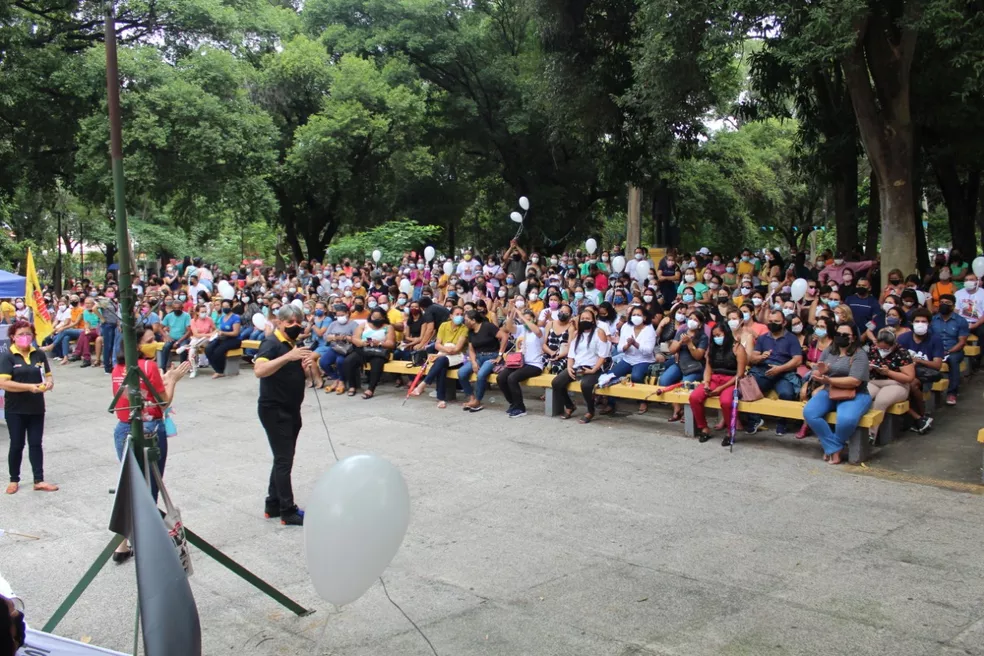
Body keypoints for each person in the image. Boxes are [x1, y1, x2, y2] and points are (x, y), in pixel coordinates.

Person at [110, 328, 190, 561]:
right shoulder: (148, 366)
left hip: (123, 427)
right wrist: (173, 380)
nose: (154, 344)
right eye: (149, 341)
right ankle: (150, 544)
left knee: (130, 486)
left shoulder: (117, 368)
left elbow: (127, 399)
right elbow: (162, 403)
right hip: (150, 428)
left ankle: (123, 544)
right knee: (150, 490)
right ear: (136, 346)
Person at [254, 305, 315, 526]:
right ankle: (287, 510)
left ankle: (272, 503)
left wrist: (309, 365)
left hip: (292, 409)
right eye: (290, 322)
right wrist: (288, 357)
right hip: (274, 409)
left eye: (298, 323)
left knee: (282, 458)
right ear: (280, 322)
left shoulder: (293, 345)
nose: (295, 327)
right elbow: (259, 371)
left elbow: (314, 380)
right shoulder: (271, 343)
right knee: (284, 459)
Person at [802, 320, 872, 464]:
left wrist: (830, 380)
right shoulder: (830, 350)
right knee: (810, 412)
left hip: (855, 393)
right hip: (829, 390)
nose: (841, 336)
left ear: (853, 337)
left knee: (846, 420)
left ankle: (834, 447)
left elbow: (855, 381)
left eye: (845, 334)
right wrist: (821, 372)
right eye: (838, 334)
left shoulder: (860, 354)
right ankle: (834, 447)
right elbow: (816, 370)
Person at [0, 321, 57, 494]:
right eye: (21, 335)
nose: (25, 338)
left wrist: (48, 384)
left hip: (37, 407)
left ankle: (38, 480)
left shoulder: (38, 354)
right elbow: (4, 383)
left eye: (28, 334)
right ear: (13, 337)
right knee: (17, 444)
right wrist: (29, 387)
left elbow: (48, 376)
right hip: (15, 408)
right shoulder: (8, 356)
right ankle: (14, 479)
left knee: (35, 444)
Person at [743, 309, 803, 435]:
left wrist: (780, 369)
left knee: (787, 394)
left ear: (784, 322)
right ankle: (755, 420)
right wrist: (760, 357)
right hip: (764, 370)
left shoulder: (791, 338)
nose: (773, 323)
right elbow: (752, 357)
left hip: (784, 372)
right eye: (770, 321)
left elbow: (797, 360)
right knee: (747, 389)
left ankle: (782, 423)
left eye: (776, 321)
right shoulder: (763, 338)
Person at [689, 320, 747, 444]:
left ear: (726, 334)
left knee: (726, 402)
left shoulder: (737, 348)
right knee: (694, 397)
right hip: (715, 378)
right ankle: (704, 428)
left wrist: (721, 389)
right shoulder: (712, 348)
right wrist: (706, 383)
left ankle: (730, 432)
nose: (717, 338)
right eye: (714, 336)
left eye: (719, 335)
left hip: (731, 381)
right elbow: (708, 369)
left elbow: (740, 374)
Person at [551, 309, 610, 423]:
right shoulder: (576, 333)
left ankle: (590, 411)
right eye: (582, 318)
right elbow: (571, 354)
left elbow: (603, 355)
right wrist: (569, 367)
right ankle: (569, 406)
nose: (585, 321)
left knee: (586, 385)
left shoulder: (599, 332)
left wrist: (593, 370)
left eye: (588, 318)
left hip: (593, 367)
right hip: (577, 366)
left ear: (593, 320)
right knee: (556, 383)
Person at [411, 305, 469, 407]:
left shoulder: (464, 328)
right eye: (457, 314)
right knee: (441, 365)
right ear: (451, 316)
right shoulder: (444, 325)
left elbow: (457, 349)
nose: (460, 316)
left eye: (461, 314)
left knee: (441, 361)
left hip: (458, 358)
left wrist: (445, 349)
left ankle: (424, 385)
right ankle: (441, 399)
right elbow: (437, 345)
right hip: (444, 356)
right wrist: (447, 349)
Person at [866, 328, 915, 444]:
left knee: (881, 400)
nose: (882, 350)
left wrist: (889, 372)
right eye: (880, 347)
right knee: (864, 397)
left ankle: (871, 434)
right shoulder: (873, 350)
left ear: (892, 345)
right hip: (874, 381)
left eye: (885, 348)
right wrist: (868, 368)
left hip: (897, 384)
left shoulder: (902, 353)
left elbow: (909, 377)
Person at [897, 309, 943, 433]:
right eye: (917, 321)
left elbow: (937, 365)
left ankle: (919, 417)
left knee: (911, 384)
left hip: (926, 375)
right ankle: (921, 418)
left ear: (929, 324)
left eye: (924, 321)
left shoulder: (935, 339)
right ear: (912, 323)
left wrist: (919, 361)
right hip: (906, 373)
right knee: (906, 385)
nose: (920, 323)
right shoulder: (902, 338)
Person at [496, 305, 546, 417]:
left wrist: (523, 317)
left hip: (534, 364)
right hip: (520, 363)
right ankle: (513, 403)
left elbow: (537, 331)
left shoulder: (540, 330)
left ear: (534, 320)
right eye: (525, 320)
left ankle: (521, 408)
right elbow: (508, 327)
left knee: (512, 378)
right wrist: (513, 313)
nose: (526, 322)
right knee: (501, 377)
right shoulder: (522, 329)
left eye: (530, 319)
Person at [660, 309, 708, 422]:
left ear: (700, 323)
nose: (692, 321)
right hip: (680, 364)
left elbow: (698, 356)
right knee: (664, 380)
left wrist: (690, 343)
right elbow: (671, 350)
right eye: (690, 319)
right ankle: (677, 409)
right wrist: (681, 342)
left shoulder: (703, 337)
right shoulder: (682, 332)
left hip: (694, 366)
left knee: (685, 386)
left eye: (695, 320)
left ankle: (689, 413)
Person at [458, 310, 508, 412]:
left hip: (492, 356)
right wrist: (473, 362)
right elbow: (471, 349)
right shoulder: (470, 332)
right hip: (478, 357)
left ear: (473, 320)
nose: (464, 321)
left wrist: (500, 355)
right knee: (461, 372)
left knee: (481, 374)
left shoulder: (487, 326)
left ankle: (478, 400)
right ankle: (471, 397)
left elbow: (504, 336)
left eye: (466, 320)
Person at [611, 306, 658, 413]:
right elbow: (619, 348)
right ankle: (610, 403)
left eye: (639, 315)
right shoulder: (626, 327)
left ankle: (642, 401)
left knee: (636, 376)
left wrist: (635, 344)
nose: (636, 317)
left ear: (645, 317)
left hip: (644, 360)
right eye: (634, 315)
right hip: (628, 359)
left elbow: (648, 351)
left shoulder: (649, 329)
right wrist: (627, 345)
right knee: (611, 375)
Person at [342, 307, 395, 398]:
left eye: (379, 318)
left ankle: (371, 389)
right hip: (363, 350)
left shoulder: (388, 327)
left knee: (377, 364)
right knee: (348, 361)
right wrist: (362, 343)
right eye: (374, 317)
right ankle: (352, 386)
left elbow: (391, 344)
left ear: (383, 317)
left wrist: (379, 343)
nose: (376, 320)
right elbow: (355, 338)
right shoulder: (363, 325)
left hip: (378, 352)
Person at [932, 293, 969, 406]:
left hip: (954, 350)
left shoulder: (960, 321)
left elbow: (962, 342)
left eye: (947, 303)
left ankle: (952, 393)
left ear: (953, 306)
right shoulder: (933, 319)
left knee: (953, 361)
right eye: (942, 302)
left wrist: (948, 352)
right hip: (936, 350)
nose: (944, 305)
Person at [204, 299, 242, 379]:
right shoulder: (222, 318)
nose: (225, 308)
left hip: (234, 340)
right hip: (223, 338)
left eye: (227, 306)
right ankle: (216, 369)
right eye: (223, 306)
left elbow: (236, 333)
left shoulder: (235, 317)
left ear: (231, 307)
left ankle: (220, 371)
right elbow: (220, 329)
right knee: (208, 349)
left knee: (218, 351)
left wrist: (224, 333)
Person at [182, 303, 215, 378]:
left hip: (206, 340)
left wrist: (211, 334)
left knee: (198, 343)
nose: (204, 313)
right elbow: (196, 334)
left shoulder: (209, 319)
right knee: (191, 351)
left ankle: (185, 347)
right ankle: (193, 369)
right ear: (197, 312)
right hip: (197, 339)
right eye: (202, 312)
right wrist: (208, 334)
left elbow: (214, 329)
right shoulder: (193, 321)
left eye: (205, 311)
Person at [159, 299, 192, 370]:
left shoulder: (186, 316)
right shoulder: (169, 316)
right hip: (172, 338)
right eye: (175, 308)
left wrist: (178, 342)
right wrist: (166, 336)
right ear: (172, 308)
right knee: (165, 347)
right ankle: (163, 368)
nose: (177, 310)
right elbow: (160, 328)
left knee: (183, 348)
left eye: (179, 308)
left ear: (182, 308)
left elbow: (189, 331)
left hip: (183, 338)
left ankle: (182, 367)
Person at [954, 272, 984, 341]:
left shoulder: (983, 293)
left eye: (971, 280)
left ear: (977, 281)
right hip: (961, 322)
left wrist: (975, 325)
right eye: (966, 280)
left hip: (978, 323)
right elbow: (956, 311)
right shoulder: (958, 293)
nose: (968, 282)